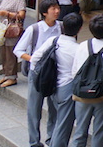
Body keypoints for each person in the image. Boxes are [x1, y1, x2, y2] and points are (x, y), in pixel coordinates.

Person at [15, 0, 63, 147]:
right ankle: (34, 142)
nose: (57, 11)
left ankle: (52, 139)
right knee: (34, 109)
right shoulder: (35, 29)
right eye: (53, 9)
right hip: (37, 73)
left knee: (54, 108)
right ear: (44, 12)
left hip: (55, 72)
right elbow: (18, 50)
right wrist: (34, 60)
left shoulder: (61, 27)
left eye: (57, 8)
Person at [31, 12, 82, 147]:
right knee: (63, 125)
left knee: (56, 120)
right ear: (80, 29)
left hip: (52, 85)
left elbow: (35, 58)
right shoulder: (78, 49)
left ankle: (52, 141)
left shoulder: (53, 40)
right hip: (67, 88)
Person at [70, 14, 103, 147]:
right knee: (100, 132)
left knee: (80, 130)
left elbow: (75, 70)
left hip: (82, 92)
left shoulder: (82, 45)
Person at [0, 0, 27, 87]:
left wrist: (7, 13)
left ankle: (12, 77)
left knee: (10, 52)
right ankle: (6, 74)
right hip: (3, 28)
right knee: (3, 52)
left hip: (12, 28)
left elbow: (21, 15)